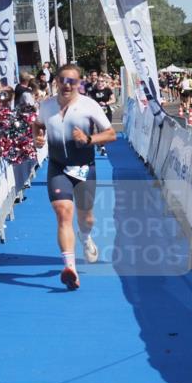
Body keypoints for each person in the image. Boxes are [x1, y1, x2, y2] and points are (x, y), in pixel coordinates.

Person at [33, 64, 117, 291]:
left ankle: (86, 237)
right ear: (56, 82)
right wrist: (38, 139)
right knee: (63, 213)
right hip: (58, 167)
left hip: (84, 168)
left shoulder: (89, 105)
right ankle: (70, 268)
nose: (67, 85)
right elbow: (38, 125)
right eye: (62, 80)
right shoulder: (47, 105)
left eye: (72, 81)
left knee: (86, 218)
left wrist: (89, 140)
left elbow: (111, 134)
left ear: (79, 83)